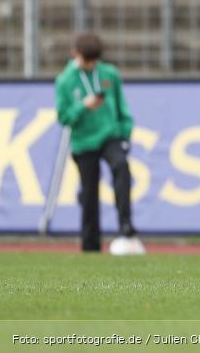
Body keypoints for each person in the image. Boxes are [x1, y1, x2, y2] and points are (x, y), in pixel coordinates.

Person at [55, 32, 138, 253]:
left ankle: (126, 226)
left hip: (110, 135)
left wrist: (125, 133)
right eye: (87, 60)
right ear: (76, 54)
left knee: (121, 167)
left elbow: (123, 107)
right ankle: (90, 245)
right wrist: (83, 106)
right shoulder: (65, 80)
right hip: (83, 141)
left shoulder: (109, 73)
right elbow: (64, 117)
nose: (91, 65)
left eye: (95, 60)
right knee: (89, 192)